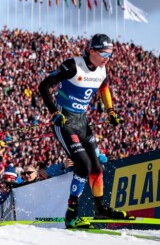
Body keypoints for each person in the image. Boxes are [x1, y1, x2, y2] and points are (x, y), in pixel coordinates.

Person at [38, 33, 132, 228]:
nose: (107, 58)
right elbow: (44, 86)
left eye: (110, 55)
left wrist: (111, 111)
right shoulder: (73, 65)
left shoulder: (102, 70)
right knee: (83, 165)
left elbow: (104, 88)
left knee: (97, 167)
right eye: (104, 54)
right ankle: (71, 214)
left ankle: (100, 208)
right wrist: (54, 112)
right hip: (64, 121)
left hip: (82, 122)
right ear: (91, 51)